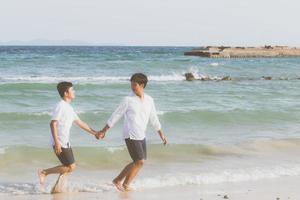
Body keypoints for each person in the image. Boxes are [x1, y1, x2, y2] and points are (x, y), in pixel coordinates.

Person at [96, 73, 167, 191]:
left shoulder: (149, 100)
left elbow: (154, 118)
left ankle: (124, 184)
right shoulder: (128, 100)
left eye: (135, 85)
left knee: (139, 162)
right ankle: (119, 181)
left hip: (141, 134)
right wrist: (104, 131)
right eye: (131, 84)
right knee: (139, 160)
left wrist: (161, 134)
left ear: (142, 85)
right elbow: (116, 115)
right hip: (130, 134)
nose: (132, 87)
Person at [38, 81, 97, 192]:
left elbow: (80, 122)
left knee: (67, 167)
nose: (74, 92)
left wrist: (95, 133)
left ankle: (57, 188)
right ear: (66, 93)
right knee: (71, 167)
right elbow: (53, 123)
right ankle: (44, 172)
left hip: (65, 141)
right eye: (72, 90)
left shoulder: (69, 108)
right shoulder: (60, 106)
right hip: (60, 141)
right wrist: (57, 143)